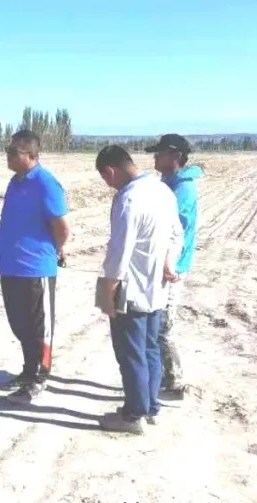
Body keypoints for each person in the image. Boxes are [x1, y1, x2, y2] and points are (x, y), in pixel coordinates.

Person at [93, 145, 183, 434]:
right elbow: (177, 234)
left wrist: (108, 289)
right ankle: (151, 406)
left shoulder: (128, 199)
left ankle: (133, 415)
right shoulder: (162, 190)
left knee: (131, 354)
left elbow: (119, 250)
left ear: (111, 171)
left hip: (130, 289)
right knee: (150, 348)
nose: (108, 185)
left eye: (105, 179)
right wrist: (169, 260)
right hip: (156, 288)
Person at [0, 130, 71, 402]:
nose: (7, 155)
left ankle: (39, 377)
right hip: (11, 266)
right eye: (7, 150)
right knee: (20, 324)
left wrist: (56, 249)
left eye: (13, 152)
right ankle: (28, 370)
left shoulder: (45, 183)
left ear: (30, 155)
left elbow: (62, 226)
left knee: (40, 328)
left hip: (36, 267)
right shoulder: (15, 182)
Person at [145, 134, 202, 402]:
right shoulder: (167, 183)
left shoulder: (182, 189)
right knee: (156, 324)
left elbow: (172, 229)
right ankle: (160, 377)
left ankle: (174, 381)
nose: (155, 158)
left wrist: (170, 263)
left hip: (172, 266)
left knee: (163, 326)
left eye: (160, 153)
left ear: (176, 157)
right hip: (162, 263)